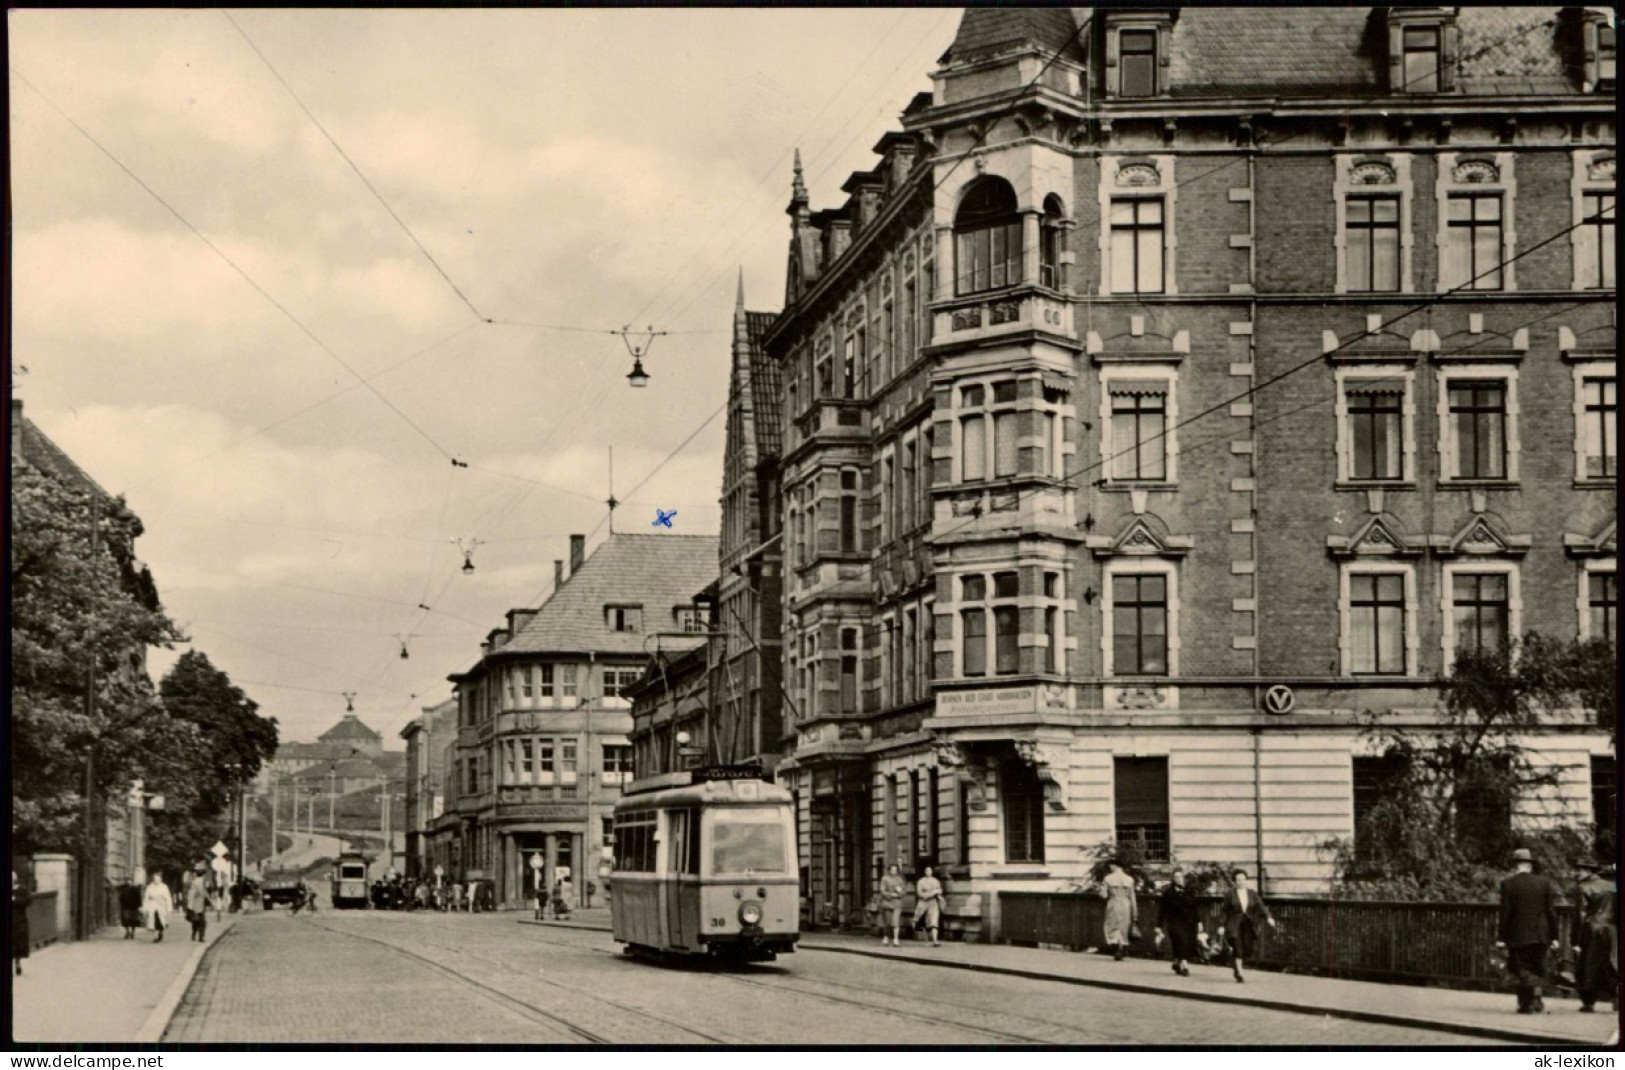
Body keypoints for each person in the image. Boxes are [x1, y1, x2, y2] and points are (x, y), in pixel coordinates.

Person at [1497, 847, 1560, 1014]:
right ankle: (1537, 997)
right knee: (1538, 967)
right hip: (1541, 935)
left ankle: (1526, 1004)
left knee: (1522, 968)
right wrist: (1555, 937)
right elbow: (1551, 912)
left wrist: (1501, 937)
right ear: (1529, 865)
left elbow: (1506, 913)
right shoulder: (1544, 883)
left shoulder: (1508, 884)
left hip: (1518, 935)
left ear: (1515, 866)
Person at [1573, 860, 1617, 1014]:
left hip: (1591, 929)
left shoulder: (1583, 887)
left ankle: (1588, 1002)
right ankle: (1616, 994)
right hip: (1611, 929)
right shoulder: (1612, 885)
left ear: (1588, 871)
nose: (1577, 873)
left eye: (1579, 870)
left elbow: (1580, 914)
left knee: (1588, 965)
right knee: (1610, 963)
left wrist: (1576, 940)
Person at [1221, 868, 1275, 983]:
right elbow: (1224, 911)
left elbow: (1261, 906)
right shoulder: (1230, 894)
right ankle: (1239, 973)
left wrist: (1268, 917)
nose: (1241, 882)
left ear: (1246, 880)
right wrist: (1221, 925)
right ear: (1235, 881)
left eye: (1243, 879)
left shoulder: (1252, 893)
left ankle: (1236, 967)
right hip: (1234, 924)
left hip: (1248, 924)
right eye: (1238, 880)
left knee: (1248, 947)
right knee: (1237, 947)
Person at [1157, 866, 1200, 977]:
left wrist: (1199, 922)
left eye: (1180, 877)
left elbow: (1195, 908)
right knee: (1181, 941)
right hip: (1174, 922)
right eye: (1176, 877)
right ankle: (1185, 966)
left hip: (1189, 922)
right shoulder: (1168, 893)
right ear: (1173, 879)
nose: (1178, 879)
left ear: (1183, 878)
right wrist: (1159, 926)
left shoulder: (1189, 891)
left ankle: (1176, 963)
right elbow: (1162, 910)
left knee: (1187, 943)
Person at [1100, 860, 1137, 961]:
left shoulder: (1108, 878)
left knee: (1112, 926)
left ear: (1114, 866)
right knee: (1123, 926)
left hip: (1113, 903)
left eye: (1111, 866)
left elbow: (1104, 895)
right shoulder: (1130, 879)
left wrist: (1101, 892)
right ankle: (1122, 945)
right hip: (1126, 905)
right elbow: (1132, 897)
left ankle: (1116, 946)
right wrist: (1135, 913)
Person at [912, 866, 944, 947]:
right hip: (923, 903)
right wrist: (932, 893)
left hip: (933, 903)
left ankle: (935, 941)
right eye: (927, 870)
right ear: (924, 872)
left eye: (930, 870)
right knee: (924, 922)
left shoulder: (935, 881)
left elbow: (939, 890)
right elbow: (920, 893)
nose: (928, 872)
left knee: (934, 921)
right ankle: (926, 941)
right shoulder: (921, 881)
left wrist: (939, 894)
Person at [878, 863, 906, 946]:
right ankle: (886, 937)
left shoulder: (900, 879)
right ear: (889, 870)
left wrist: (900, 893)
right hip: (887, 903)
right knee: (887, 922)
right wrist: (890, 895)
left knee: (895, 921)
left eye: (895, 870)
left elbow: (904, 891)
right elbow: (882, 890)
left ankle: (896, 939)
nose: (894, 871)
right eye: (892, 869)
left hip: (897, 903)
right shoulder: (885, 879)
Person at [144, 871, 174, 943]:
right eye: (155, 879)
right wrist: (145, 908)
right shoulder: (149, 887)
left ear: (160, 879)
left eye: (158, 879)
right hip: (152, 906)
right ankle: (155, 936)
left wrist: (169, 908)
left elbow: (168, 898)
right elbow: (146, 898)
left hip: (161, 906)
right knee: (153, 921)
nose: (156, 881)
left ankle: (160, 933)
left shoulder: (164, 887)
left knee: (161, 921)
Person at [12, 872, 31, 976]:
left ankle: (17, 963)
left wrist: (15, 899)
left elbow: (28, 901)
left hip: (19, 921)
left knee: (17, 943)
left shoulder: (22, 890)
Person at [185, 865, 210, 942]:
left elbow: (203, 893)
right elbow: (195, 894)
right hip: (197, 905)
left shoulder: (197, 882)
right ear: (203, 874)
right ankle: (200, 936)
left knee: (197, 921)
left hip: (198, 905)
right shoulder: (198, 882)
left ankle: (195, 934)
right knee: (201, 921)